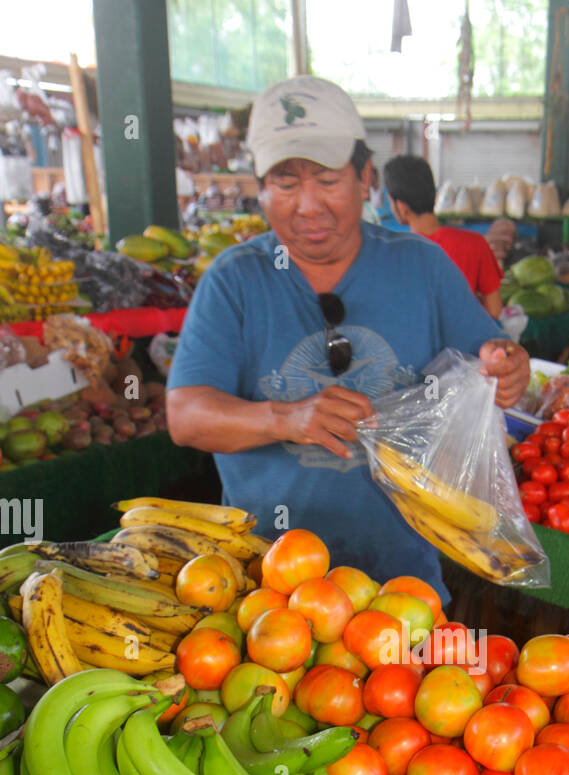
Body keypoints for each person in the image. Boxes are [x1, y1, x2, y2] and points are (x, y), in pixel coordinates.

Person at [167, 77, 528, 602]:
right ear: (261, 188)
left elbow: (493, 357)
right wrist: (285, 418)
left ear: (365, 178)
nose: (308, 205)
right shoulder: (235, 280)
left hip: (403, 588)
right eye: (286, 183)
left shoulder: (421, 266)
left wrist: (508, 365)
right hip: (270, 597)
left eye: (328, 179)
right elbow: (185, 415)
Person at [383, 154, 503, 316]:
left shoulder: (395, 252)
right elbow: (494, 310)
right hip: (464, 339)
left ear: (402, 207)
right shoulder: (475, 244)